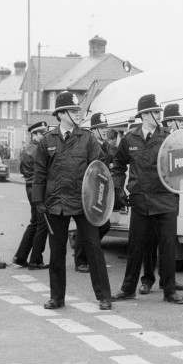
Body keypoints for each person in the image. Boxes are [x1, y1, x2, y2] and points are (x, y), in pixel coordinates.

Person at [33, 91, 112, 310]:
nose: (77, 114)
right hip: (55, 204)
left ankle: (104, 296)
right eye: (73, 110)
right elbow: (39, 174)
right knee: (57, 252)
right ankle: (56, 297)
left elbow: (100, 169)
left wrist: (105, 147)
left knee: (94, 248)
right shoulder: (47, 141)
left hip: (83, 203)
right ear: (61, 113)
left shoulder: (86, 138)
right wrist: (38, 201)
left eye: (78, 110)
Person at [112, 94, 183, 304]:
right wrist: (119, 187)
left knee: (168, 246)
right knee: (135, 247)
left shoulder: (169, 137)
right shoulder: (129, 139)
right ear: (143, 115)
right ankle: (127, 289)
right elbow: (118, 165)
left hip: (165, 200)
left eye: (159, 112)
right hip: (141, 201)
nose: (158, 116)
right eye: (154, 112)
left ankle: (169, 290)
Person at [138, 103, 183, 295]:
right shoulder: (160, 135)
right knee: (149, 241)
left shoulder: (174, 138)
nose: (182, 123)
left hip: (169, 195)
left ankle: (168, 281)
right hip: (150, 196)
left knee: (168, 241)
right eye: (179, 120)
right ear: (170, 121)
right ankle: (147, 279)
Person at [74, 112, 112, 273]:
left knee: (103, 225)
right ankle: (81, 260)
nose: (104, 130)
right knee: (89, 226)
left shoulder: (106, 145)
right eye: (100, 128)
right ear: (93, 130)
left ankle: (86, 253)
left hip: (100, 189)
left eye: (105, 127)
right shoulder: (88, 143)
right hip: (89, 189)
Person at [13, 121, 50, 270]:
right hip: (37, 188)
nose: (44, 135)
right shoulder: (36, 150)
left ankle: (20, 257)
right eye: (42, 133)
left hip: (30, 187)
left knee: (35, 222)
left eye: (45, 132)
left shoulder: (27, 149)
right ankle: (36, 260)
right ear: (34, 134)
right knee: (43, 224)